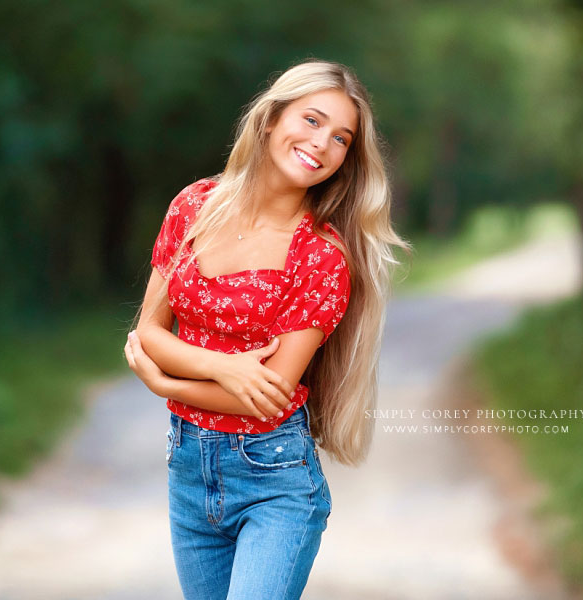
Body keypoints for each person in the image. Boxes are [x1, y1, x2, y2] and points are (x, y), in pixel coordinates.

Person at [123, 58, 411, 600]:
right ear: (271, 119)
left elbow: (268, 395)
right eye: (311, 120)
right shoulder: (193, 208)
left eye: (341, 138)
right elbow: (150, 335)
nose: (323, 142)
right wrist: (224, 366)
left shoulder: (322, 256)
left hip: (274, 479)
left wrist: (167, 386)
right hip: (188, 469)